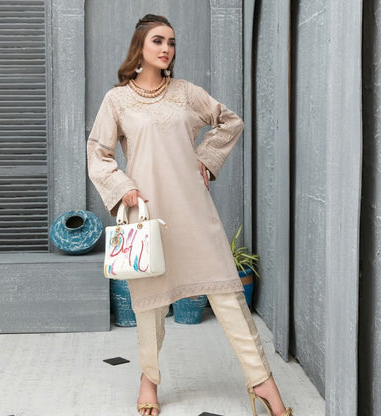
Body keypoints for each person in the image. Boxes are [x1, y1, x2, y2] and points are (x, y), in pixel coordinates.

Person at [87, 13, 293, 416]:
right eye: (158, 41)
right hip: (147, 211)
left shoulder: (185, 93)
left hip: (193, 209)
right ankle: (149, 378)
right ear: (140, 47)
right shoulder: (117, 100)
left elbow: (230, 121)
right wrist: (123, 187)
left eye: (172, 42)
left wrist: (206, 157)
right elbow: (98, 152)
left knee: (227, 294)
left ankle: (262, 382)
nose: (166, 49)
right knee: (149, 304)